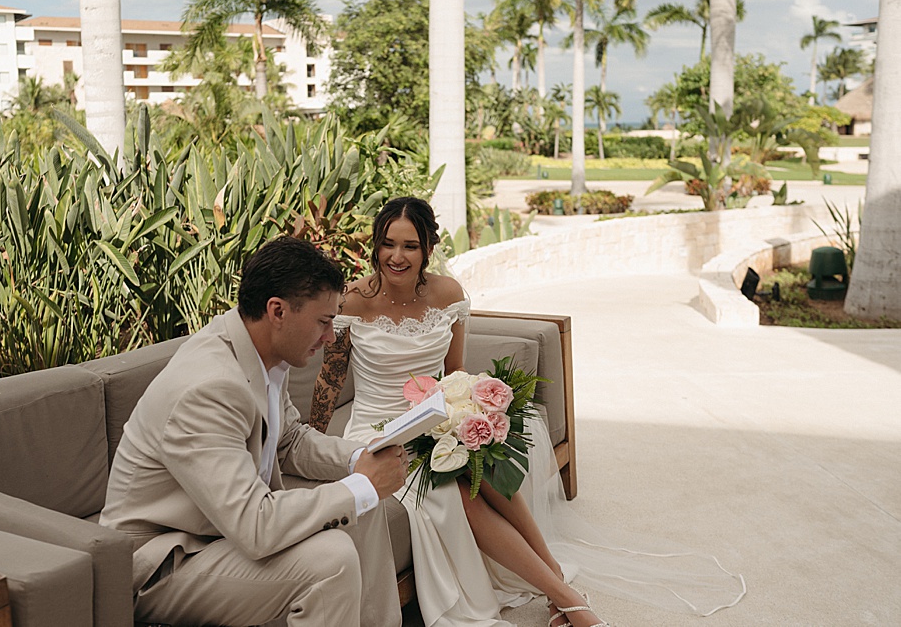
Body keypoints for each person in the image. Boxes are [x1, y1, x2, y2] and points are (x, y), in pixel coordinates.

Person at [312, 196, 744, 627]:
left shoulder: (448, 293)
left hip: (434, 421)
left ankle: (556, 580)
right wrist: (307, 448)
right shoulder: (352, 301)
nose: (397, 256)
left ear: (427, 248)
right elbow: (328, 382)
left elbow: (455, 372)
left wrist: (464, 417)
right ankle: (566, 597)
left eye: (410, 245)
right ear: (376, 246)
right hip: (378, 433)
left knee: (485, 465)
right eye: (388, 244)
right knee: (459, 490)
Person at [100, 236, 410, 627]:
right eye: (323, 321)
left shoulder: (259, 352)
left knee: (366, 506)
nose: (331, 337)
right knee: (332, 558)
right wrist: (362, 485)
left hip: (220, 528)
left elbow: (289, 441)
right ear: (277, 311)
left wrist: (359, 461)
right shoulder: (208, 388)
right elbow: (256, 526)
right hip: (165, 563)